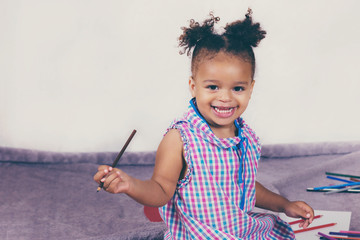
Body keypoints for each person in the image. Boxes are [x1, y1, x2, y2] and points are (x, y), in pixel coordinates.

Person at [93, 9, 314, 239]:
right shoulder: (181, 138)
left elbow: (244, 187)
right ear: (193, 86)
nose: (225, 97)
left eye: (238, 88)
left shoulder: (245, 136)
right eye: (212, 87)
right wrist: (129, 185)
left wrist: (284, 205)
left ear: (251, 88)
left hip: (242, 232)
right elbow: (160, 190)